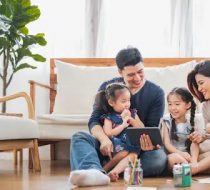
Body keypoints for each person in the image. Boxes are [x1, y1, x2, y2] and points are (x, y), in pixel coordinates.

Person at [69, 47, 167, 187]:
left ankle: (99, 170)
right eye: (131, 75)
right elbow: (94, 120)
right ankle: (95, 172)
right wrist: (104, 140)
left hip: (137, 150)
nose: (137, 78)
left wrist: (147, 144)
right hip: (110, 146)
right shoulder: (108, 87)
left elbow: (151, 129)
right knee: (79, 137)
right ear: (120, 72)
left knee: (158, 159)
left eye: (140, 72)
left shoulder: (156, 93)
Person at [96, 83, 144, 181]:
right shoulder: (109, 117)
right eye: (123, 101)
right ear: (111, 102)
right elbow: (108, 133)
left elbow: (141, 127)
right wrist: (122, 125)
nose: (127, 104)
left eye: (128, 100)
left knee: (133, 156)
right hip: (117, 145)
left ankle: (114, 173)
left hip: (131, 145)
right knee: (124, 152)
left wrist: (130, 119)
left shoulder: (133, 113)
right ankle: (105, 168)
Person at [160, 87, 202, 175]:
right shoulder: (166, 120)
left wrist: (194, 160)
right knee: (174, 158)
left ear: (188, 105)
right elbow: (167, 144)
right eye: (170, 104)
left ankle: (192, 168)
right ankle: (189, 171)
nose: (173, 108)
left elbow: (195, 143)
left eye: (177, 104)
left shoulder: (195, 120)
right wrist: (181, 154)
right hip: (174, 155)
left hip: (190, 155)